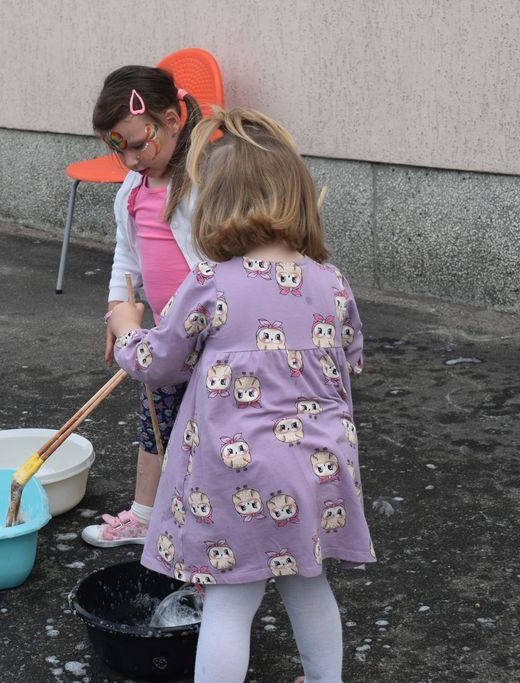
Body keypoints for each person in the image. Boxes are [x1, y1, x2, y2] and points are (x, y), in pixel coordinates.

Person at [108, 108, 375, 682]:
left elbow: (158, 363)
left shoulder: (208, 283)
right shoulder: (331, 280)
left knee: (231, 602)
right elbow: (350, 354)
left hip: (241, 475)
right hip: (320, 469)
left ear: (213, 205)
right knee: (310, 585)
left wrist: (128, 326)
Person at [81, 65, 204, 548]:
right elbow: (126, 256)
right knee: (155, 418)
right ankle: (145, 514)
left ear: (173, 120)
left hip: (215, 335)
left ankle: (202, 524)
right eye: (118, 148)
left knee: (205, 433)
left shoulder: (201, 181)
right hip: (163, 334)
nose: (129, 159)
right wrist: (118, 309)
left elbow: (220, 264)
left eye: (138, 143)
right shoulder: (132, 191)